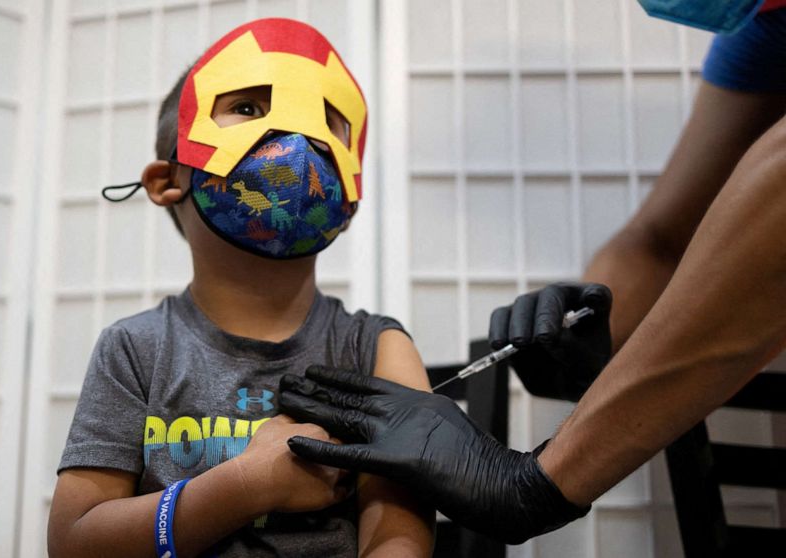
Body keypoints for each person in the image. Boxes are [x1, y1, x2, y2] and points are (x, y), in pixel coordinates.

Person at [277, 1, 786, 545]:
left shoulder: (376, 342)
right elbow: (659, 243)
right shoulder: (765, 30)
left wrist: (538, 483)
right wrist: (596, 344)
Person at [47, 18, 435, 558]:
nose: (297, 140)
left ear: (349, 202)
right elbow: (74, 543)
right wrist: (248, 485)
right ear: (166, 182)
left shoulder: (379, 349)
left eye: (328, 120)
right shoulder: (134, 350)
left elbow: (400, 542)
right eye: (248, 109)